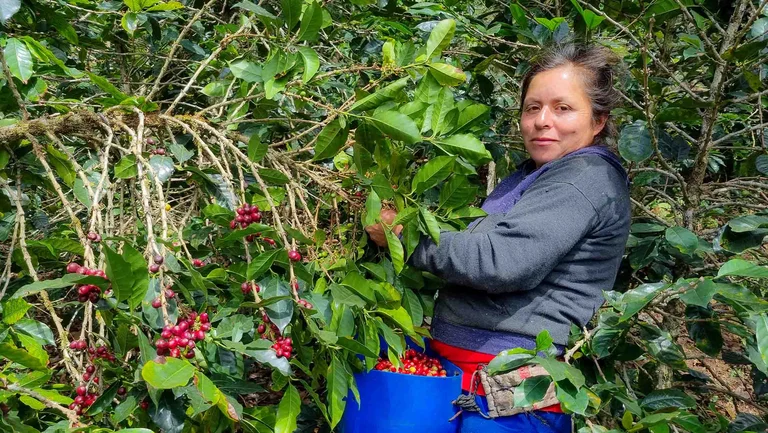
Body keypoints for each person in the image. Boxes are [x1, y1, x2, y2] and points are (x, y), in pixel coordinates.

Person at [365, 43, 631, 433]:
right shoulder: (538, 175)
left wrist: (402, 236)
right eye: (532, 107)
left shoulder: (583, 179)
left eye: (563, 108)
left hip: (509, 397)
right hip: (472, 379)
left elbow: (501, 263)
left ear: (598, 120)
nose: (542, 121)